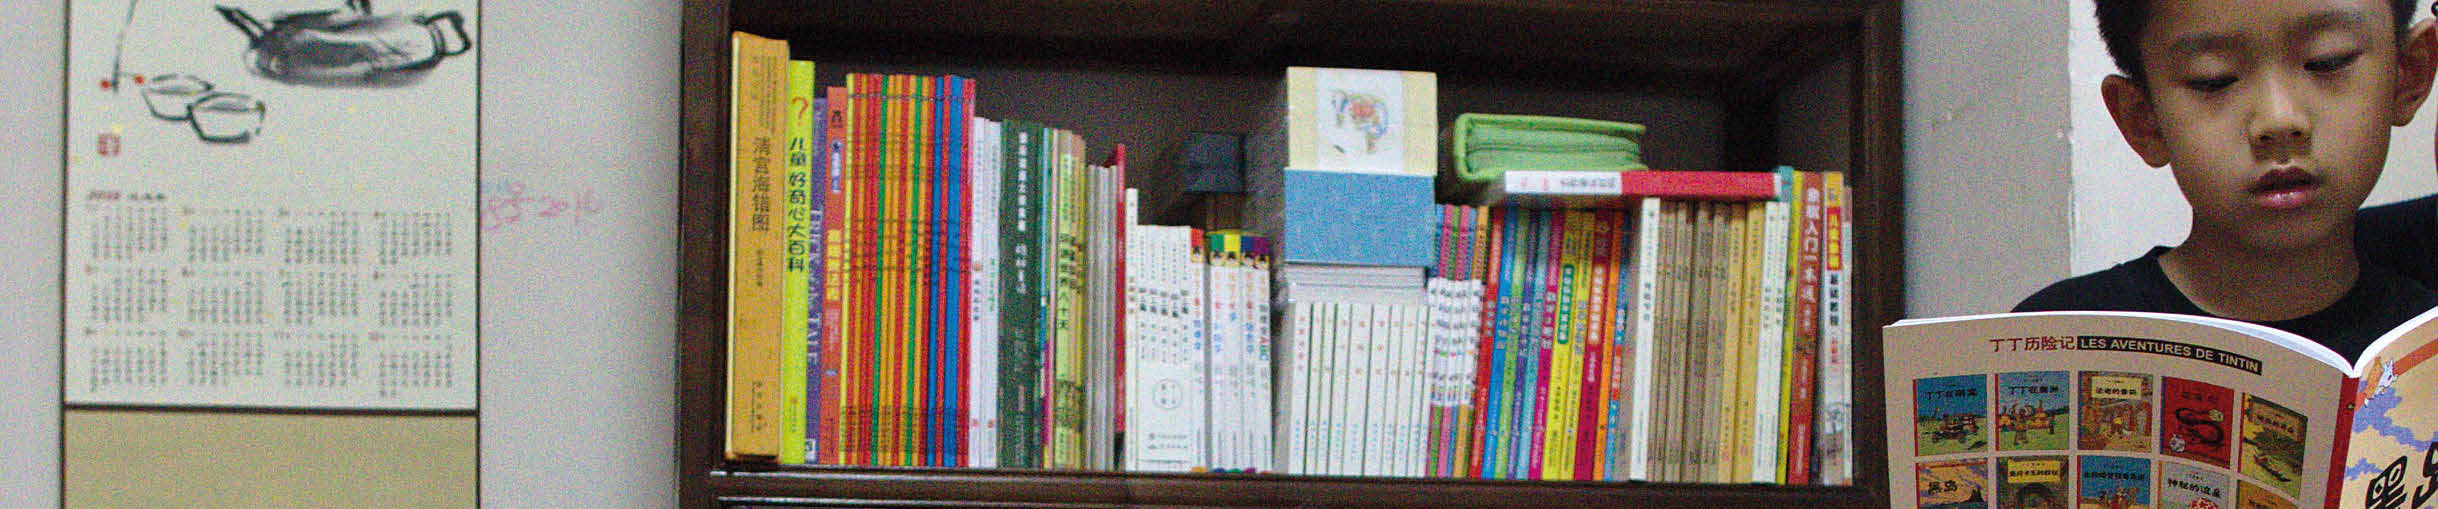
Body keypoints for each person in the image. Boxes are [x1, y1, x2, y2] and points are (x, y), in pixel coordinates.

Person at [2016, 0, 2438, 361]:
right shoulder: (2051, 345)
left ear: (2410, 75)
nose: (2278, 120)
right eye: (2213, 80)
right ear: (2143, 120)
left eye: (2327, 61)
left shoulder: (2426, 342)